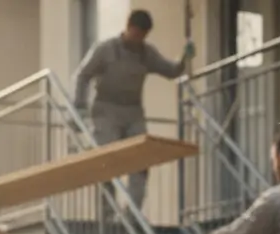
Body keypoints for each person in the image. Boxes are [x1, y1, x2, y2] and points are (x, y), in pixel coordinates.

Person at [72, 9, 195, 212]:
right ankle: (108, 211)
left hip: (133, 112)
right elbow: (82, 75)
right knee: (107, 162)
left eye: (143, 36)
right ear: (128, 28)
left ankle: (133, 213)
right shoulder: (106, 49)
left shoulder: (147, 54)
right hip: (106, 110)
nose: (138, 40)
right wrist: (79, 106)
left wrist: (184, 58)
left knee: (140, 160)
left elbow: (171, 71)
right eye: (136, 34)